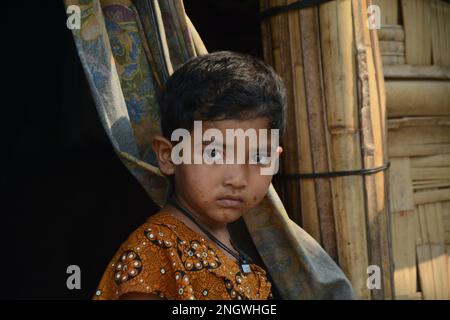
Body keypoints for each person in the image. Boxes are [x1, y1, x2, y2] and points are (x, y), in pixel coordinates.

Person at [93, 51, 286, 300]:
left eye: (259, 157)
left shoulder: (232, 247)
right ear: (168, 155)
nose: (238, 179)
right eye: (214, 153)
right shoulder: (154, 251)